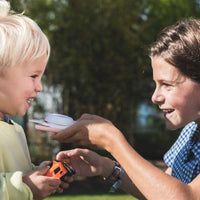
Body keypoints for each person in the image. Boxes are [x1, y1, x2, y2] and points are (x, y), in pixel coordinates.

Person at [50, 18, 200, 200]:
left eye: (167, 84)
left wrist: (113, 141)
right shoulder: (191, 132)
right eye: (156, 84)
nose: (155, 97)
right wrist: (106, 167)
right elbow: (162, 190)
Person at [0, 1, 72, 199]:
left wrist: (42, 174)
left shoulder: (14, 128)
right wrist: (25, 187)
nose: (39, 87)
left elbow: (13, 174)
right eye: (33, 76)